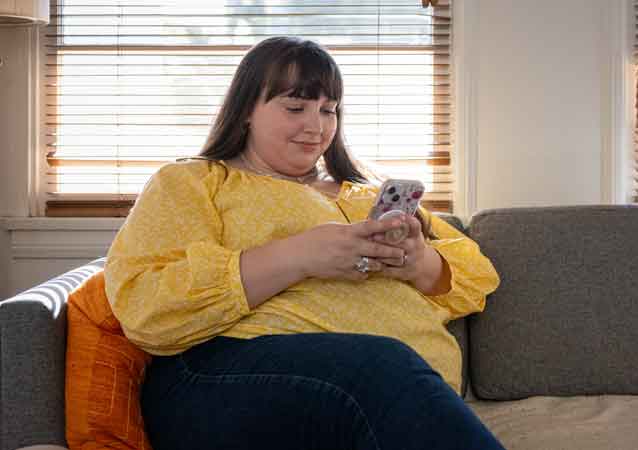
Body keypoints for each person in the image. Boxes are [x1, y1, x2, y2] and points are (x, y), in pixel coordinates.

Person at [104, 36, 504, 450]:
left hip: (391, 394)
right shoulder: (194, 182)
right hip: (223, 376)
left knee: (385, 367)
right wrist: (300, 256)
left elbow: (477, 277)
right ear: (245, 111)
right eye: (295, 108)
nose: (317, 127)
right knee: (382, 363)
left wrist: (418, 261)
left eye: (328, 110)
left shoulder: (366, 193)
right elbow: (145, 306)